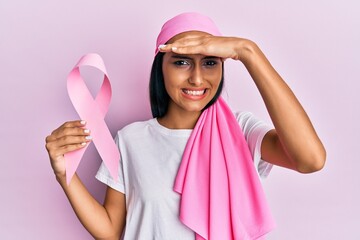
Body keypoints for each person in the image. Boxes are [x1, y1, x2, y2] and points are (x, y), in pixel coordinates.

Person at [45, 12, 326, 240]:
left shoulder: (242, 131)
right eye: (181, 62)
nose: (196, 78)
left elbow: (310, 159)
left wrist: (248, 51)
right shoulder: (130, 140)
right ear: (161, 67)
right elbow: (111, 230)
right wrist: (63, 173)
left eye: (210, 62)